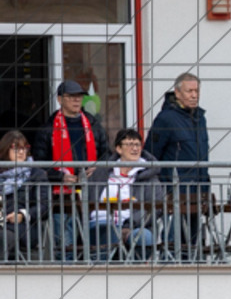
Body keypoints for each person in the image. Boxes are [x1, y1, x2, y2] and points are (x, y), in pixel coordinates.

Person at [31, 80, 109, 256]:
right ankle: (66, 274)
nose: (76, 101)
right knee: (65, 242)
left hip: (91, 192)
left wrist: (96, 169)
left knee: (93, 238)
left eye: (79, 97)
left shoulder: (93, 125)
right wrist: (60, 177)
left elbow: (106, 154)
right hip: (61, 196)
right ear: (60, 99)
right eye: (71, 97)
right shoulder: (48, 129)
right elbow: (38, 165)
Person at [144, 72, 210, 258]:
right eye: (189, 91)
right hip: (174, 191)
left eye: (196, 91)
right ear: (177, 93)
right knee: (174, 239)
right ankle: (169, 270)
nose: (194, 95)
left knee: (195, 240)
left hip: (198, 190)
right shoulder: (165, 119)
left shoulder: (200, 118)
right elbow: (150, 154)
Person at [85, 128, 164, 263]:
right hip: (100, 223)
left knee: (145, 237)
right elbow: (88, 199)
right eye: (129, 144)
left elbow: (155, 207)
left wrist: (129, 224)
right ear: (119, 149)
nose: (134, 149)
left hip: (134, 226)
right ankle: (101, 273)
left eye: (137, 145)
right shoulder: (101, 172)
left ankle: (134, 272)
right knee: (107, 230)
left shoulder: (150, 177)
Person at [1, 131, 48, 262]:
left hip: (25, 227)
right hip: (2, 223)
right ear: (5, 150)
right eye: (16, 148)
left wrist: (22, 214)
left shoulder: (37, 174)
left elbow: (44, 206)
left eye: (24, 148)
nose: (21, 152)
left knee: (3, 237)